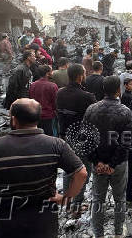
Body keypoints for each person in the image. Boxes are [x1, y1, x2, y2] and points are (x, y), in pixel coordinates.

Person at [0, 98, 87, 238]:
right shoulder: (56, 145)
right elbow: (81, 173)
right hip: (43, 223)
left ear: (14, 119)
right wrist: (66, 198)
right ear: (37, 119)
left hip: (6, 224)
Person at [83, 76, 132, 238]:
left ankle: (98, 234)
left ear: (104, 90)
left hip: (98, 164)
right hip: (118, 165)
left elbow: (85, 140)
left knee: (98, 199)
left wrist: (97, 162)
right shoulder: (125, 111)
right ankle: (118, 232)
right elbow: (125, 143)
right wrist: (112, 164)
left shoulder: (91, 110)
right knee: (120, 198)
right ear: (118, 90)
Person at [57, 64, 96, 215]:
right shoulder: (87, 97)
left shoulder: (60, 93)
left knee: (68, 170)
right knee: (83, 170)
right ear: (80, 76)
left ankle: (68, 202)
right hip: (82, 140)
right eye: (85, 73)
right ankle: (76, 205)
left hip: (65, 137)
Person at [29, 65, 58, 136]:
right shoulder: (52, 86)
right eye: (51, 71)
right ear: (47, 74)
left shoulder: (33, 85)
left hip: (36, 115)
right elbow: (55, 103)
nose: (52, 73)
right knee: (50, 137)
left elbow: (31, 99)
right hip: (48, 116)